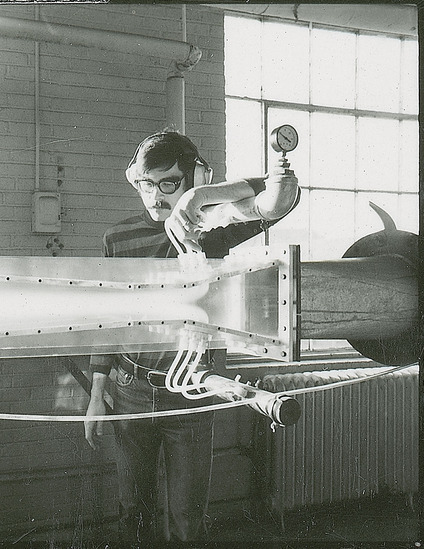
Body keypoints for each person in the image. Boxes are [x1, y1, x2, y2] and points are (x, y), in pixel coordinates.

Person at [83, 130, 298, 545]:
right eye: (148, 184)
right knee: (133, 513)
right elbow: (107, 319)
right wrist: (96, 393)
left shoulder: (211, 230)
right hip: (129, 391)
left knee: (187, 520)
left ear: (193, 178)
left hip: (189, 394)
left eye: (169, 184)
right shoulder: (117, 239)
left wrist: (198, 200)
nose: (157, 195)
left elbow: (281, 195)